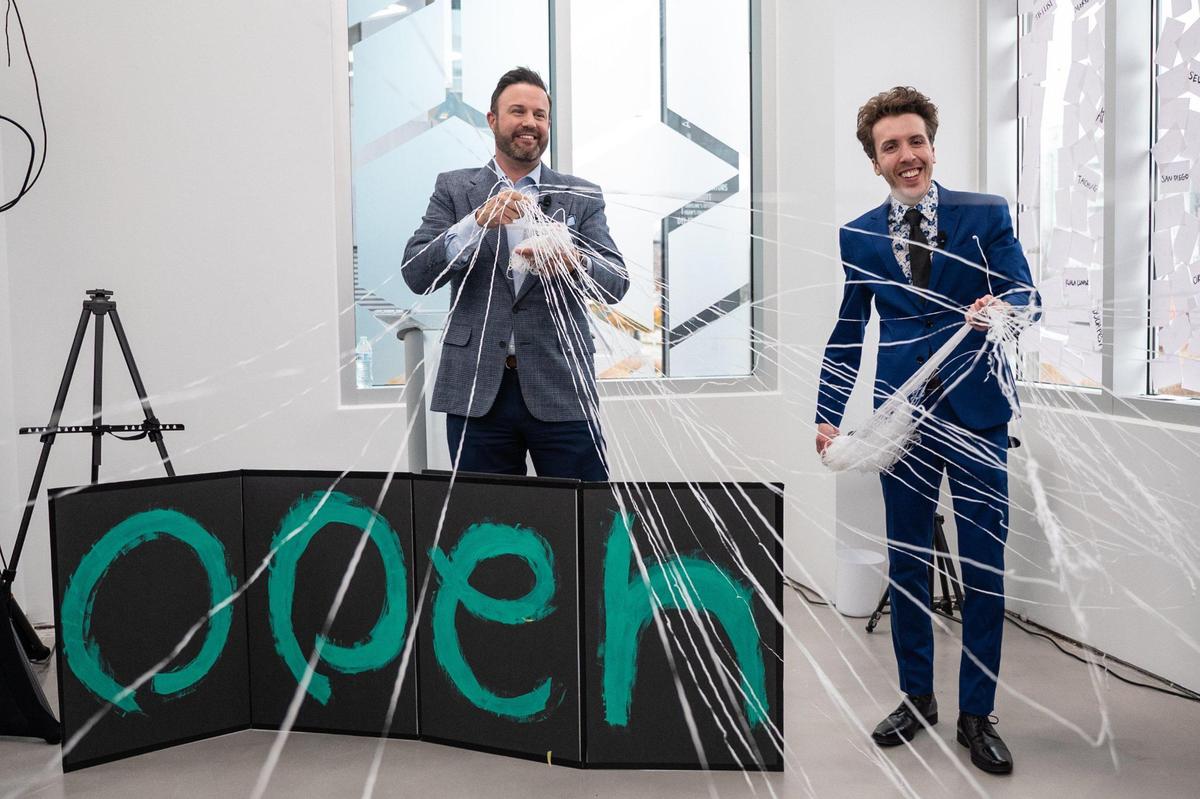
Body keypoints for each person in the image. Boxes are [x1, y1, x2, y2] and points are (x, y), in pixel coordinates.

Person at [814, 86, 1038, 775]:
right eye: (891, 147)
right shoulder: (857, 234)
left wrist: (1004, 308)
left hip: (978, 413)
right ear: (875, 162)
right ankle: (917, 696)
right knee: (907, 563)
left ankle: (978, 712)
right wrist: (826, 414)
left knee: (982, 568)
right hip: (898, 422)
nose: (907, 156)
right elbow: (849, 333)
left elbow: (1030, 296)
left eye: (916, 141)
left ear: (932, 146)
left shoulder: (985, 213)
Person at [403, 67, 628, 481]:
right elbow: (416, 273)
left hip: (562, 385)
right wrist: (473, 224)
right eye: (518, 111)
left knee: (582, 520)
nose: (530, 123)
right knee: (488, 526)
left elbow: (616, 283)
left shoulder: (582, 194)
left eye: (540, 115)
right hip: (477, 388)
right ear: (492, 120)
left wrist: (574, 260)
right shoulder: (455, 190)